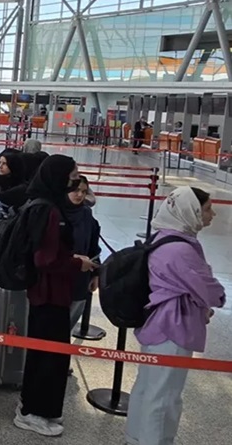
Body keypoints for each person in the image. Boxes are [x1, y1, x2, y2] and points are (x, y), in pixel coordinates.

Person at [125, 187, 225, 445]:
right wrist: (217, 298)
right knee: (165, 394)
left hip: (158, 322)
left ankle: (135, 437)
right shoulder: (180, 249)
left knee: (148, 386)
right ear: (190, 211)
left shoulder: (164, 236)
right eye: (206, 208)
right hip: (174, 326)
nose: (212, 214)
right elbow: (207, 287)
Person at [14, 155, 97, 437]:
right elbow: (45, 259)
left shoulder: (43, 204)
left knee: (44, 353)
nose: (75, 180)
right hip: (50, 292)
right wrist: (76, 263)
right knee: (50, 356)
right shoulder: (49, 211)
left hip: (46, 292)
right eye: (72, 175)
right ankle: (33, 412)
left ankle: (34, 405)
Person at [65, 176, 101, 331]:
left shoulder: (86, 215)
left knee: (68, 325)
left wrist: (95, 274)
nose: (80, 195)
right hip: (58, 279)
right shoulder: (54, 212)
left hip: (80, 279)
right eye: (75, 190)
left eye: (84, 191)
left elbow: (93, 245)